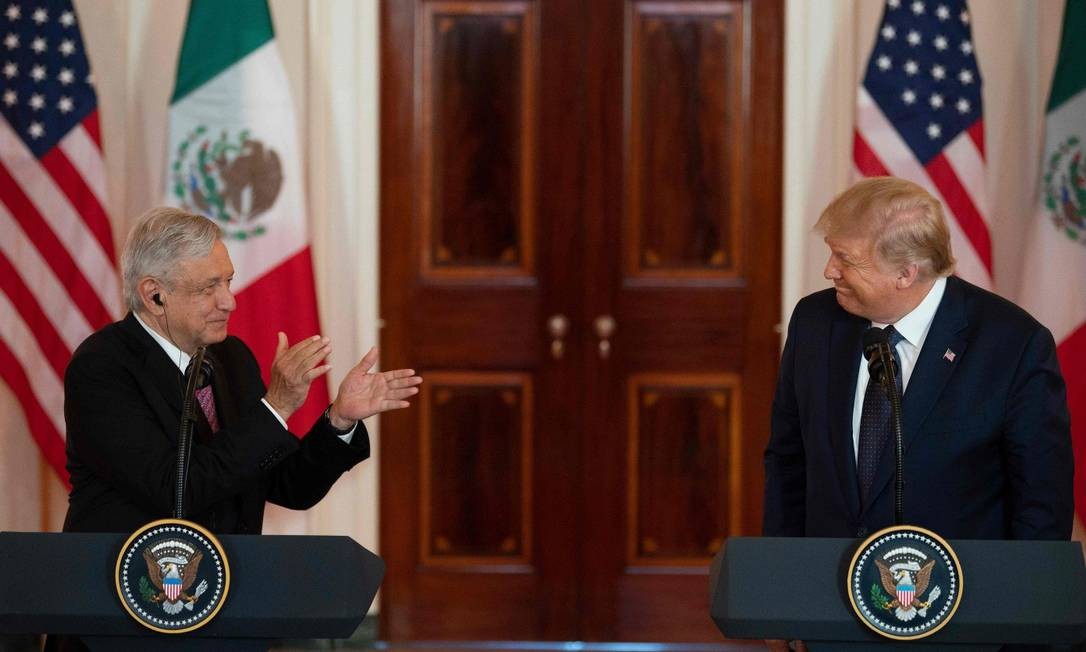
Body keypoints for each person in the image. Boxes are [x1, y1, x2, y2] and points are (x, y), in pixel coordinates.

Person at [762, 177, 1073, 650]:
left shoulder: (1012, 344)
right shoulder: (814, 322)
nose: (829, 271)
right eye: (832, 253)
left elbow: (1041, 503)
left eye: (846, 259)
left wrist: (1022, 628)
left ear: (907, 273)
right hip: (829, 616)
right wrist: (784, 601)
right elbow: (787, 464)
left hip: (964, 624)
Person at [60, 206, 422, 535]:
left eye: (228, 281)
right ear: (155, 295)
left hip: (228, 587)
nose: (229, 301)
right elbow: (177, 492)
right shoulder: (102, 367)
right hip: (130, 589)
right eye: (208, 288)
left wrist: (338, 421)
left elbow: (287, 486)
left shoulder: (230, 357)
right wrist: (276, 406)